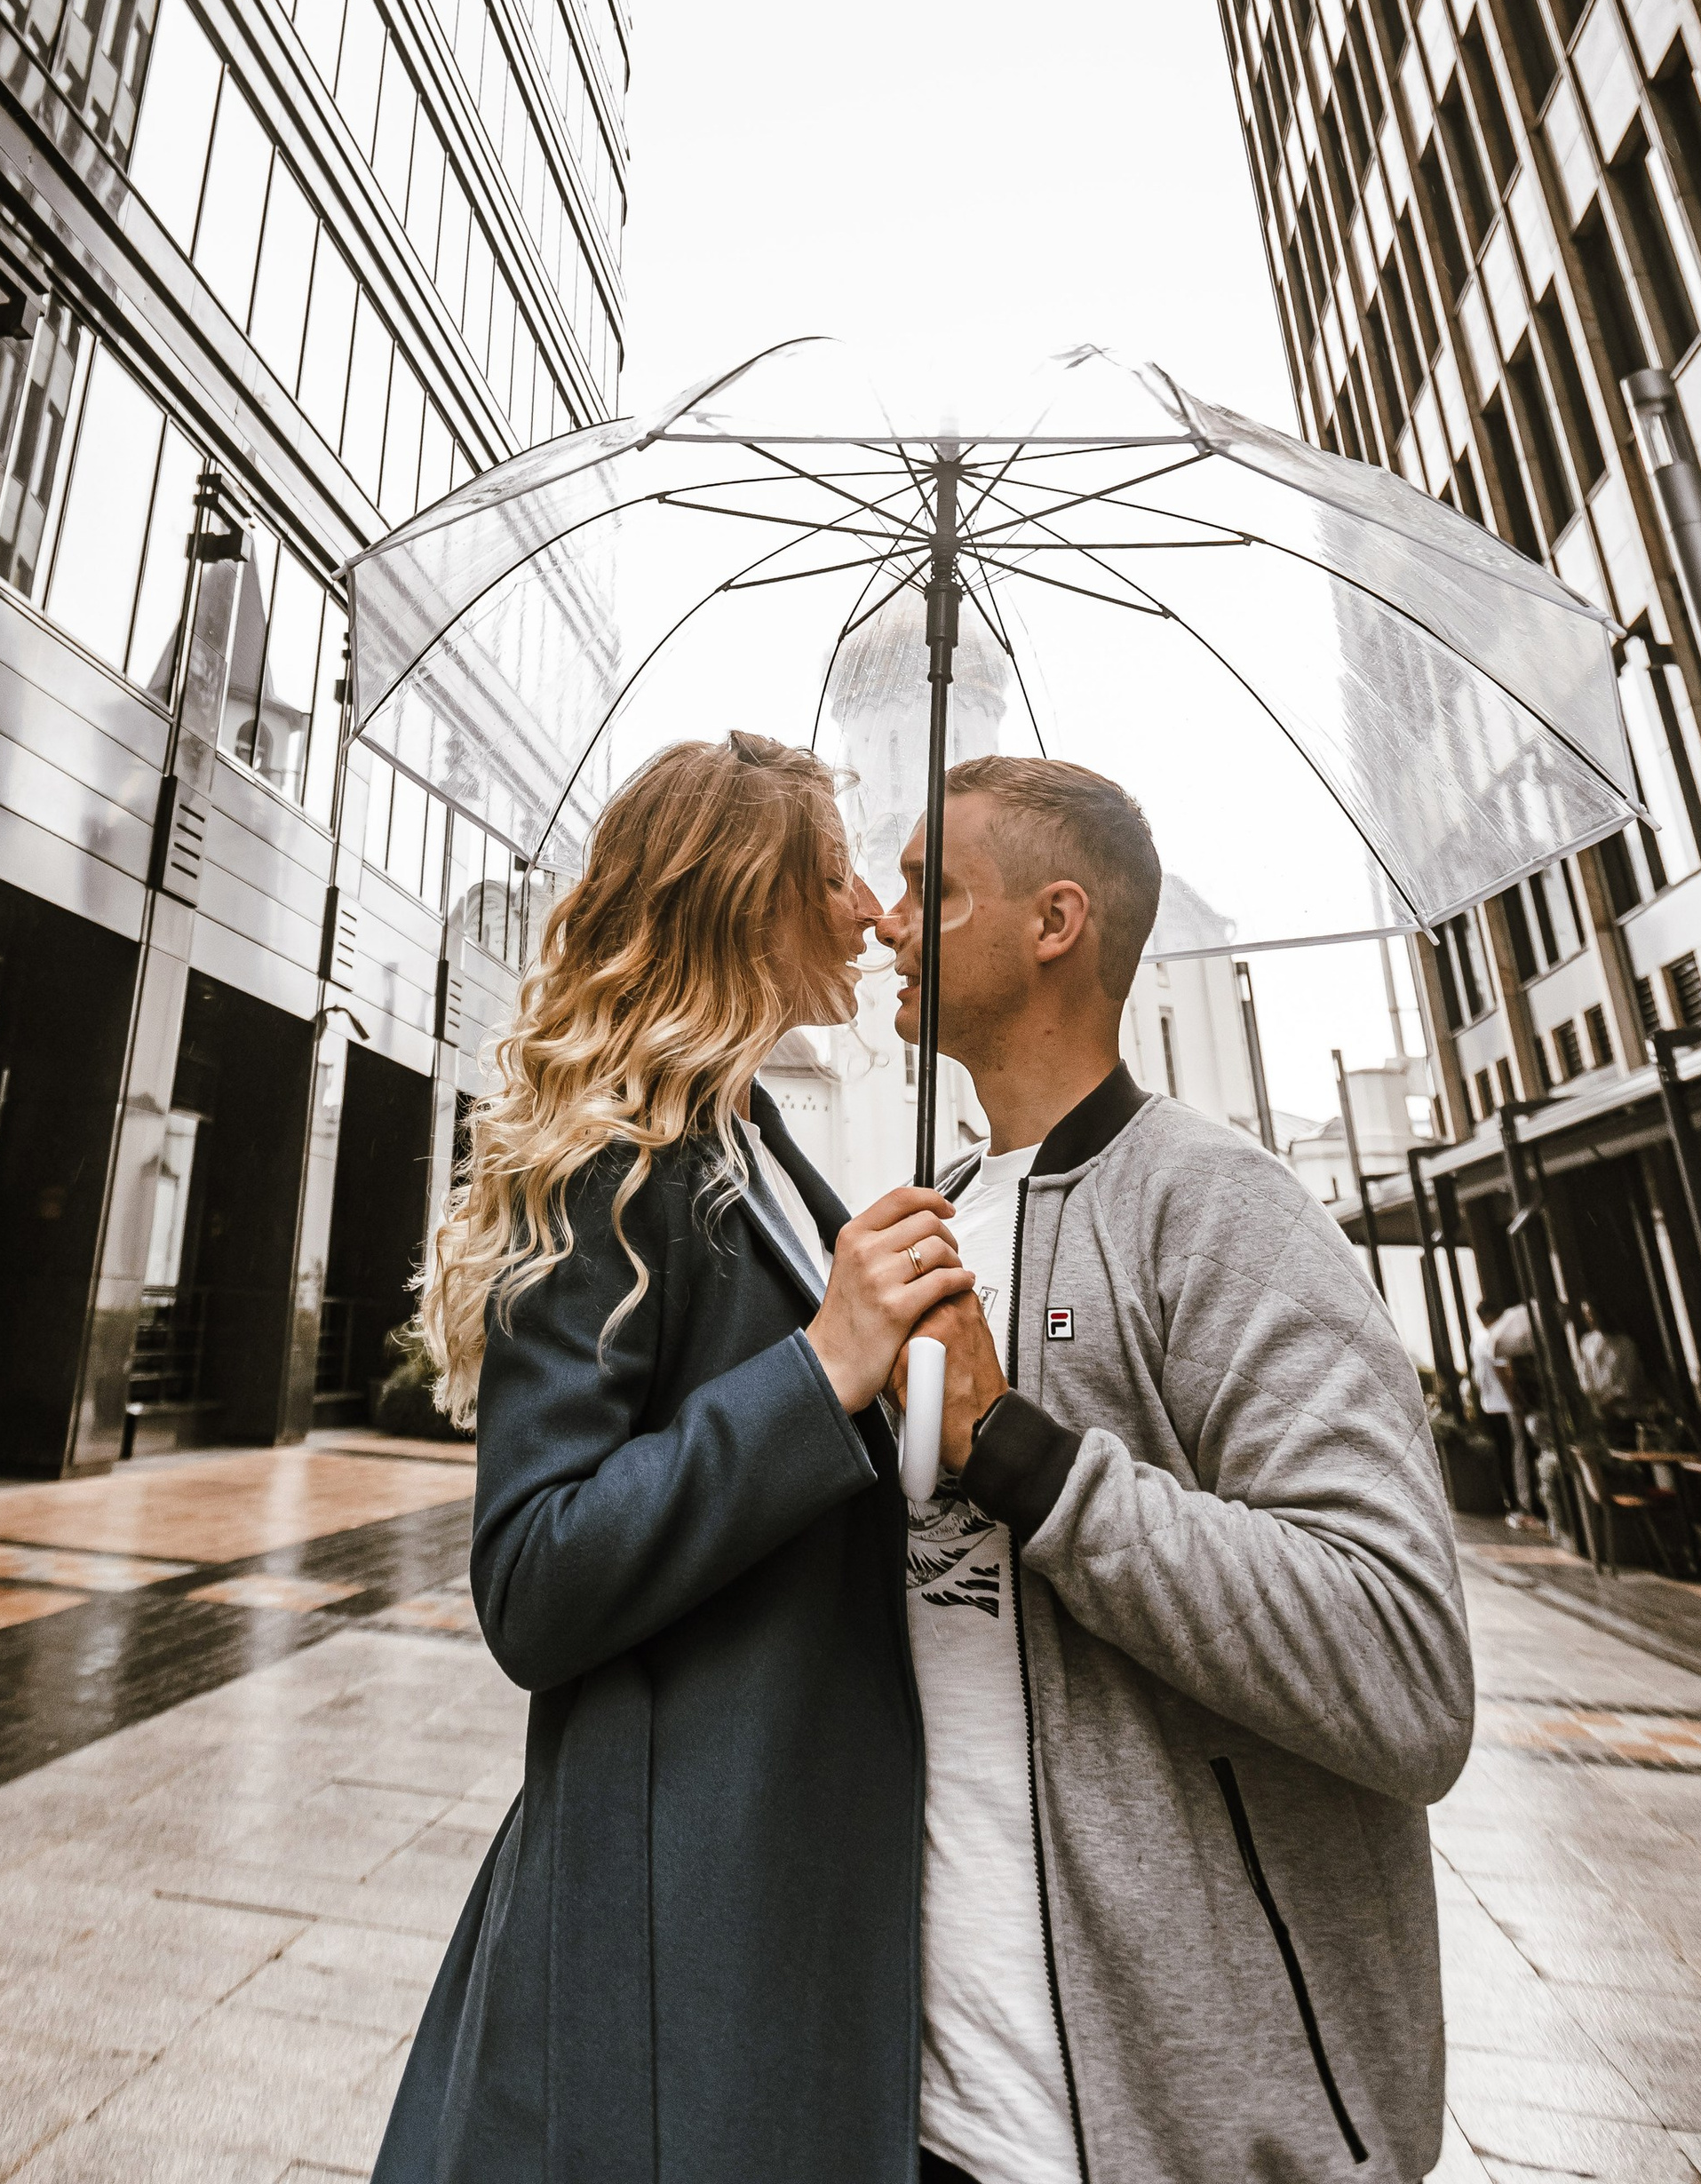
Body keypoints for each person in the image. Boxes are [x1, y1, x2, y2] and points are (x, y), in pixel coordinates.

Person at [375, 732, 961, 2184]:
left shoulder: (759, 1146)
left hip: (786, 1878)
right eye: (833, 877)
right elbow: (532, 1575)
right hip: (681, 1901)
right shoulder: (617, 1163)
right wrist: (824, 1367)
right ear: (749, 900)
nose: (870, 914)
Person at [881, 753, 1474, 2184]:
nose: (884, 919)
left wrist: (1018, 1452)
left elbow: (1402, 1663)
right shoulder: (920, 1222)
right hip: (933, 2119)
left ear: (1056, 921)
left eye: (927, 886)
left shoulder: (1219, 1207)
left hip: (1195, 2136)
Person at [1471, 1300, 1534, 1516]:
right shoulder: (1493, 1337)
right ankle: (1522, 1502)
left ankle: (1511, 1499)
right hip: (1505, 1405)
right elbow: (1502, 1370)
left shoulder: (1477, 1340)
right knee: (1517, 1453)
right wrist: (1515, 1400)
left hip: (1489, 1405)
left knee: (1504, 1455)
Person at [1576, 1299, 1649, 1430]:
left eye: (1593, 1313)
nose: (1590, 1318)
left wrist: (1609, 1402)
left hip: (1624, 1414)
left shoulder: (1625, 1344)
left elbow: (1627, 1382)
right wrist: (1594, 1402)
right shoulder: (1587, 1342)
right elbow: (1584, 1376)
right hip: (1598, 1414)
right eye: (1586, 1314)